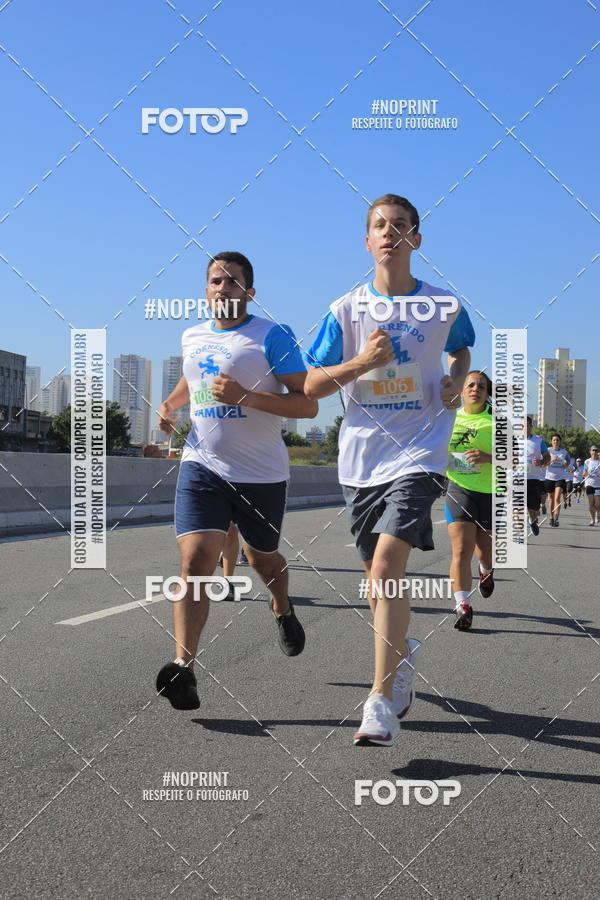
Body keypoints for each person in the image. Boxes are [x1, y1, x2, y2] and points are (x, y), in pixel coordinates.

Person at [304, 193, 474, 746]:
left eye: (399, 225)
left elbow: (462, 350)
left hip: (421, 451)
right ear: (367, 239)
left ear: (415, 239)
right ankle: (401, 657)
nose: (388, 232)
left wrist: (454, 382)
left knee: (385, 566)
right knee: (378, 585)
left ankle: (378, 701)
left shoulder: (444, 306)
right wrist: (364, 363)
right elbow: (312, 385)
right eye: (379, 225)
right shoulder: (345, 310)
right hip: (360, 459)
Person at [155, 251, 317, 710]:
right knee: (195, 560)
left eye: (231, 281)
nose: (221, 287)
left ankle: (282, 607)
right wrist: (169, 408)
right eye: (214, 280)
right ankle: (184, 669)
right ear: (205, 290)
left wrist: (246, 396)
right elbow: (191, 381)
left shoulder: (271, 335)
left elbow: (307, 405)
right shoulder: (192, 335)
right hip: (202, 467)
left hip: (261, 474)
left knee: (263, 561)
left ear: (249, 291)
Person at [445, 372, 494, 630]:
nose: (476, 389)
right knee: (461, 549)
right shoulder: (448, 418)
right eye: (470, 385)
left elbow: (516, 460)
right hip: (458, 488)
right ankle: (463, 605)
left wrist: (488, 457)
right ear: (462, 391)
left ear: (487, 393)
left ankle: (486, 570)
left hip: (488, 493)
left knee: (485, 551)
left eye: (481, 386)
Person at [526, 416, 551, 537]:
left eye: (527, 425)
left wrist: (541, 462)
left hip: (533, 479)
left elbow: (547, 457)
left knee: (534, 510)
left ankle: (531, 520)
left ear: (531, 426)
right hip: (516, 479)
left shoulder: (538, 440)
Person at [544, 434, 570, 527]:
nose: (556, 442)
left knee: (557, 498)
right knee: (551, 499)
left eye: (558, 440)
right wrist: (551, 460)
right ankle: (551, 518)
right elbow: (544, 464)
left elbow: (568, 460)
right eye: (554, 440)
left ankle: (556, 519)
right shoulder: (548, 450)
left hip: (560, 478)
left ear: (560, 442)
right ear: (551, 441)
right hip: (549, 478)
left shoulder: (564, 452)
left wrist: (565, 465)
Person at [582, 445, 600, 525]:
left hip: (598, 485)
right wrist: (585, 473)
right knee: (591, 503)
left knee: (597, 503)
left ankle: (597, 514)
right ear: (590, 452)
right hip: (589, 484)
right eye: (593, 450)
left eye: (596, 450)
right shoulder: (587, 462)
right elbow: (584, 474)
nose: (594, 452)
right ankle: (592, 520)